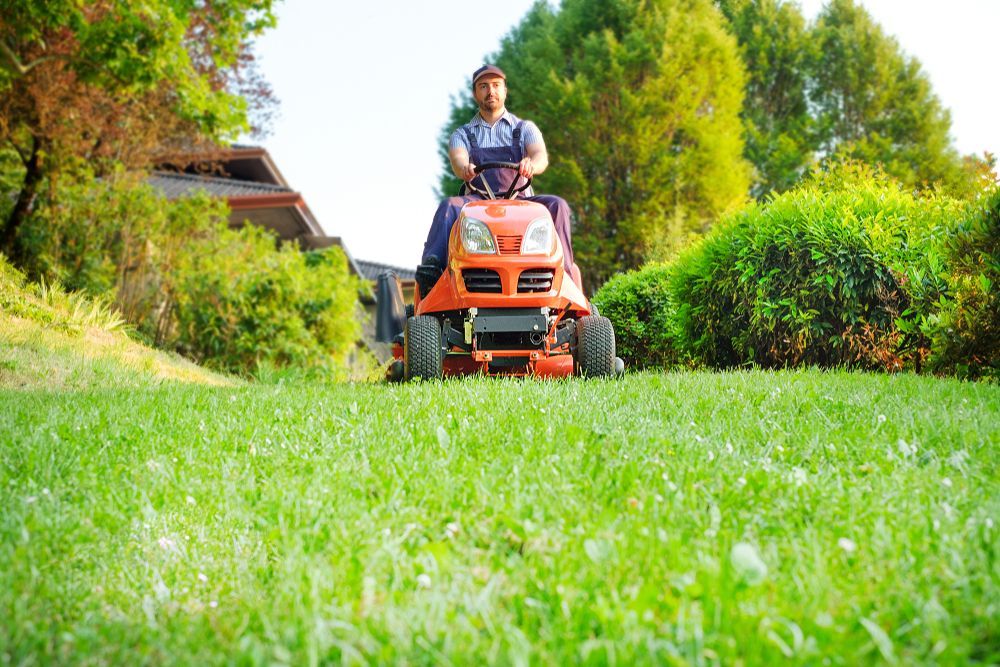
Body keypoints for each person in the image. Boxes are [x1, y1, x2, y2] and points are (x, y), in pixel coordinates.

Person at [418, 64, 577, 294]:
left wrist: (532, 164)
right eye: (483, 86)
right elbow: (458, 157)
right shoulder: (462, 134)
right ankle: (434, 272)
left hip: (522, 201)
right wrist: (465, 167)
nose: (490, 91)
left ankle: (566, 276)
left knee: (557, 205)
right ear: (475, 94)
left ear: (504, 90)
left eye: (495, 85)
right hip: (477, 203)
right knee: (449, 207)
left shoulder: (525, 129)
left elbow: (540, 155)